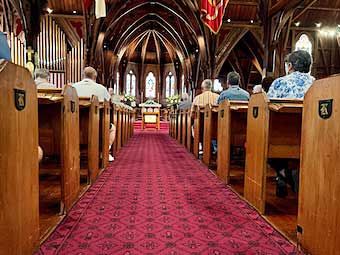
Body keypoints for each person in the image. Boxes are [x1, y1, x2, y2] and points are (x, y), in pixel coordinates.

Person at [267, 50, 315, 197]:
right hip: (312, 137)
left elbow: (267, 107)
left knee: (266, 145)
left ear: (290, 66)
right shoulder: (317, 84)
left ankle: (283, 173)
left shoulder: (279, 83)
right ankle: (294, 174)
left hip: (281, 137)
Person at [73, 67, 115, 162]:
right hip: (98, 125)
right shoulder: (102, 89)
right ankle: (104, 152)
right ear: (95, 77)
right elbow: (109, 104)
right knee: (112, 128)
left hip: (74, 125)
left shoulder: (73, 88)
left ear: (83, 75)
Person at [191, 79, 219, 154]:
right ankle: (213, 147)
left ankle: (202, 146)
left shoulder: (197, 98)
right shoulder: (218, 97)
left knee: (195, 126)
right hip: (215, 127)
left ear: (202, 88)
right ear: (211, 88)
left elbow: (192, 115)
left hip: (201, 128)